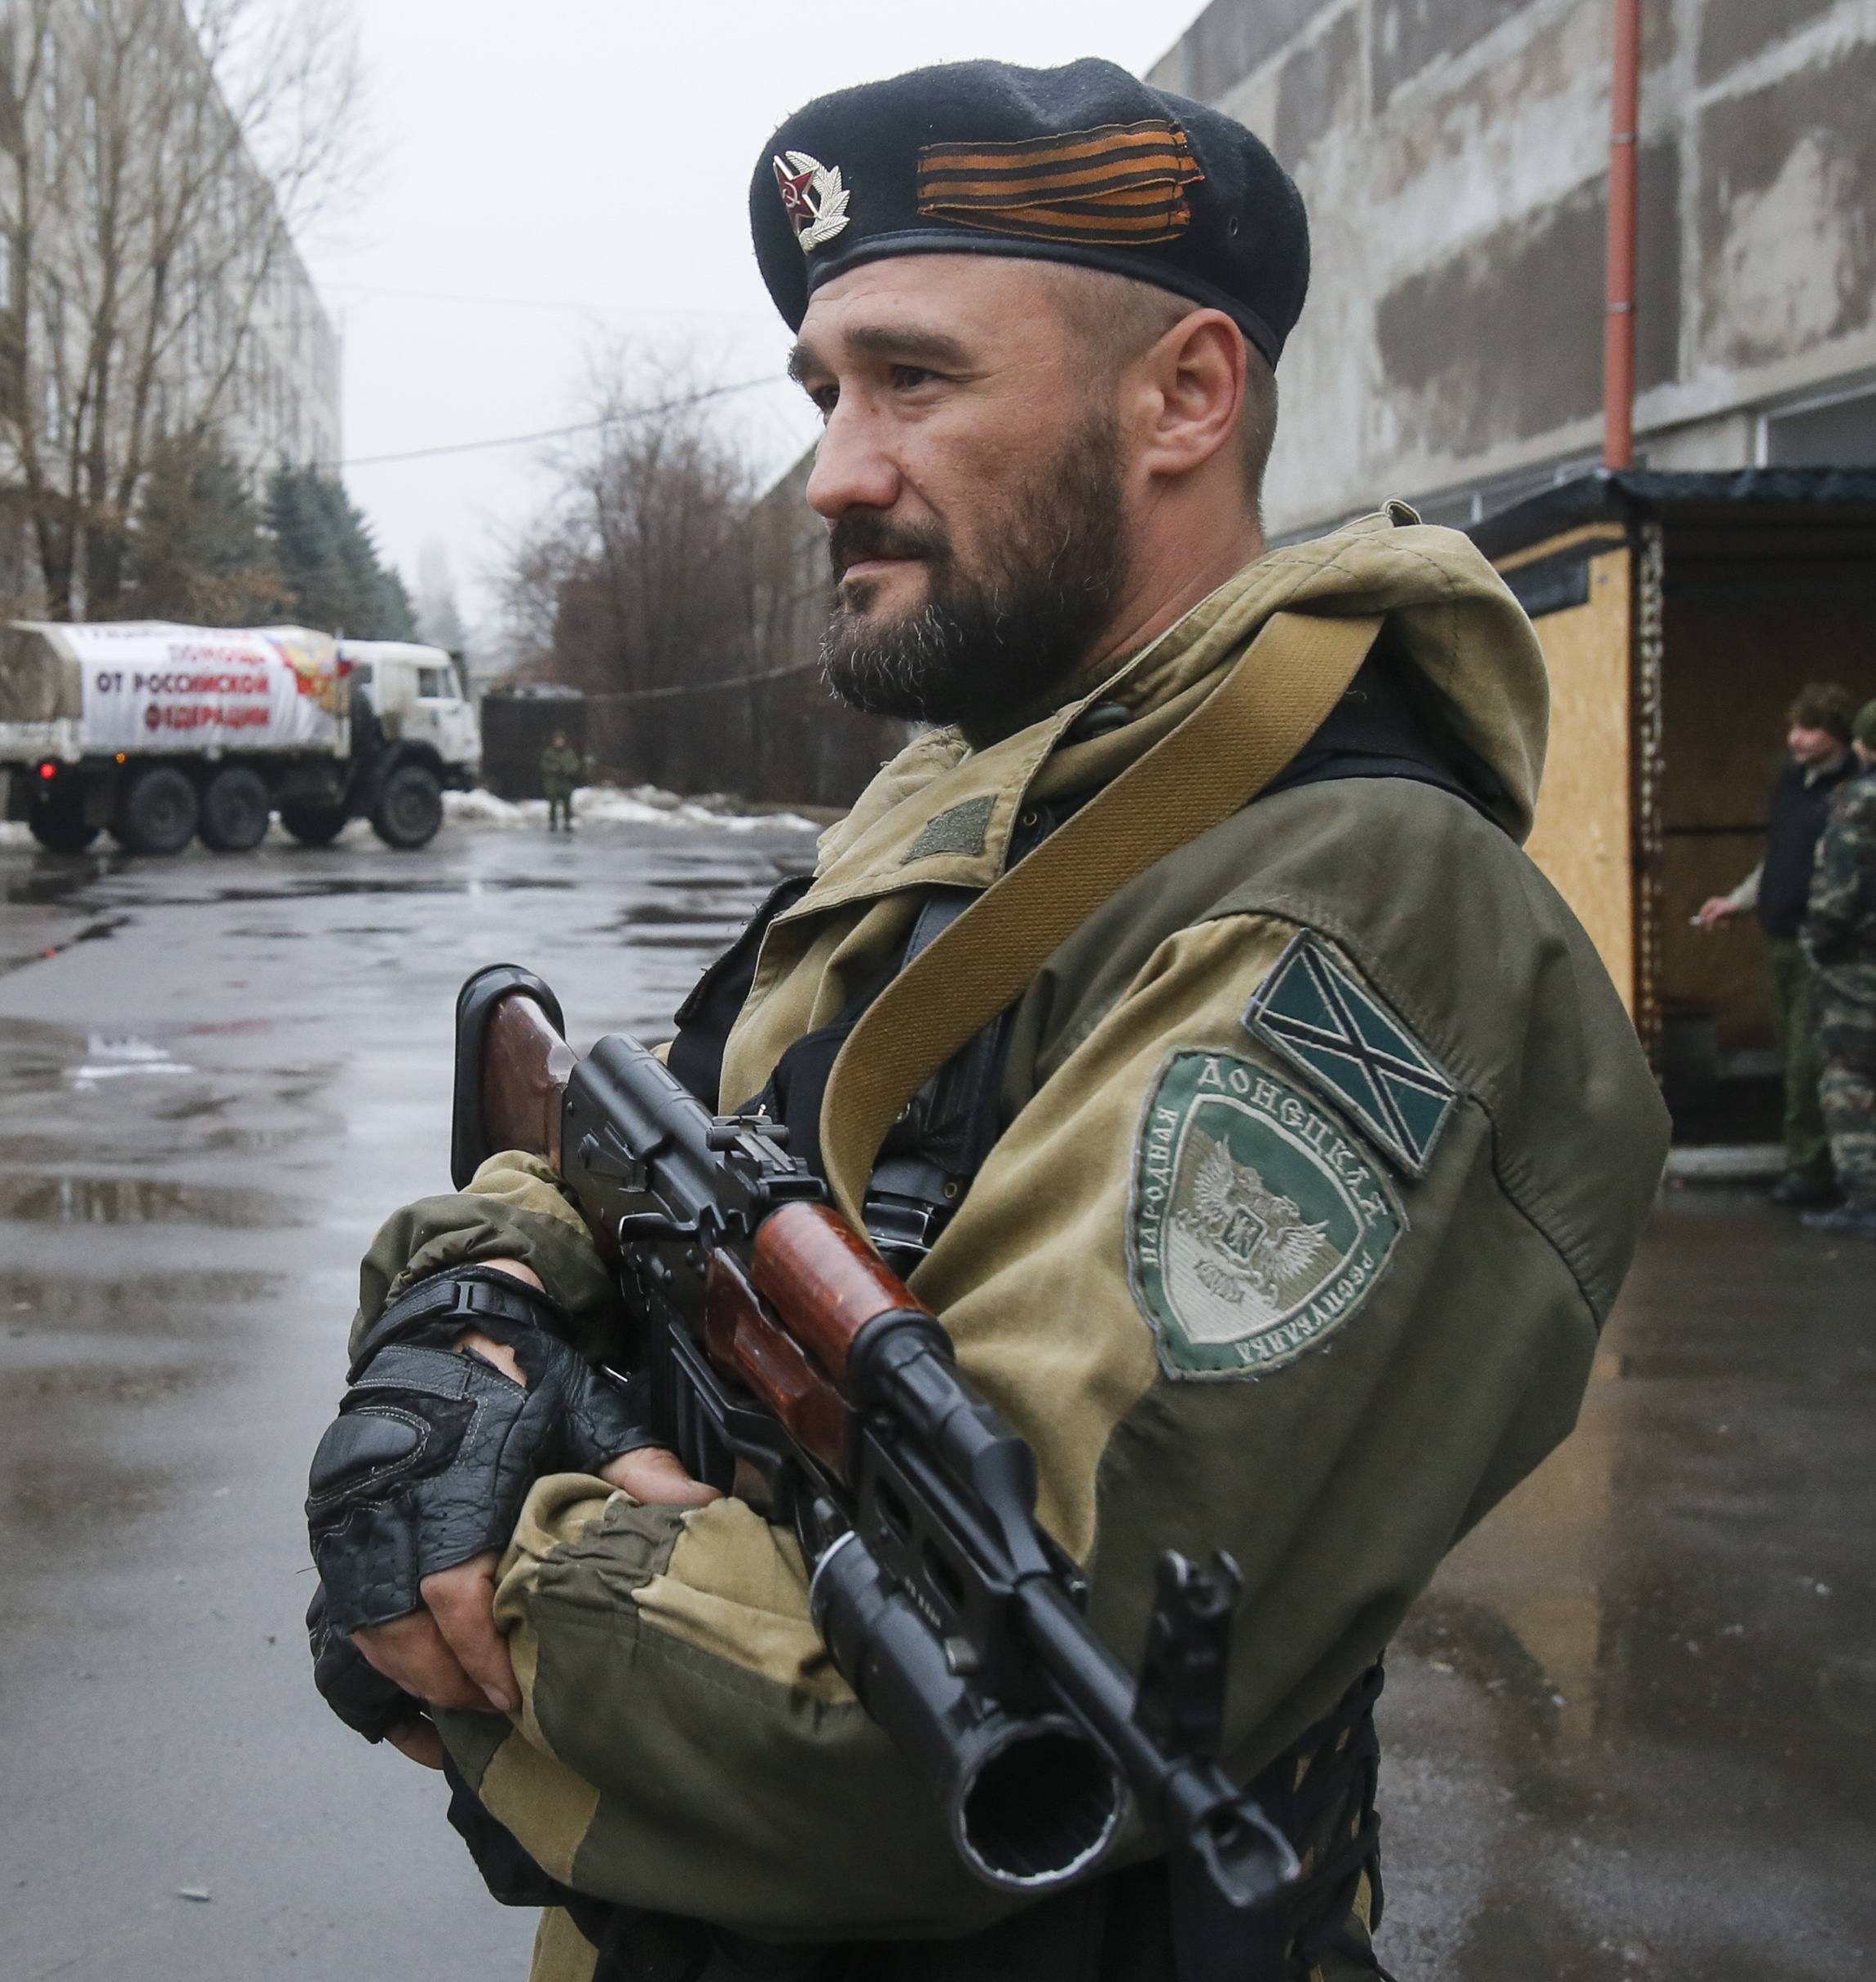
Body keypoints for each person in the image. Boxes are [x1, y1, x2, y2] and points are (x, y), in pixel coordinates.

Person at [302, 57, 1666, 1981]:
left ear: (1184, 395)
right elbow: (639, 1141)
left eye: (913, 382)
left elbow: (953, 1722)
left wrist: (487, 1548)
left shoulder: (1361, 913)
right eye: (827, 393)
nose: (838, 471)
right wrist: (481, 1304)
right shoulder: (978, 797)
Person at [1693, 682, 1865, 1209]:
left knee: (1810, 1060)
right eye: (1794, 726)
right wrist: (1741, 901)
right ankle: (1813, 1162)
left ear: (1835, 734)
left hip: (1824, 946)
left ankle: (1814, 1170)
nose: (1796, 738)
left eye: (1809, 727)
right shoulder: (1793, 786)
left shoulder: (1854, 792)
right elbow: (1780, 860)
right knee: (1795, 1053)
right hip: (1781, 938)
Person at [1800, 699, 1876, 1238]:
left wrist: (1816, 941)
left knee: (1848, 1075)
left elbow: (1840, 890)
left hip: (1857, 966)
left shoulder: (1859, 800)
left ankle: (1864, 1197)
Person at [541, 731, 585, 832]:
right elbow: (544, 765)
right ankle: (552, 823)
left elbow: (575, 765)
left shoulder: (569, 753)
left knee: (567, 803)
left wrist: (567, 770)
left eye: (561, 740)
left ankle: (567, 823)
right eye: (557, 740)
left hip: (566, 781)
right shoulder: (549, 752)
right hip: (553, 781)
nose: (559, 742)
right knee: (553, 803)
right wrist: (554, 768)